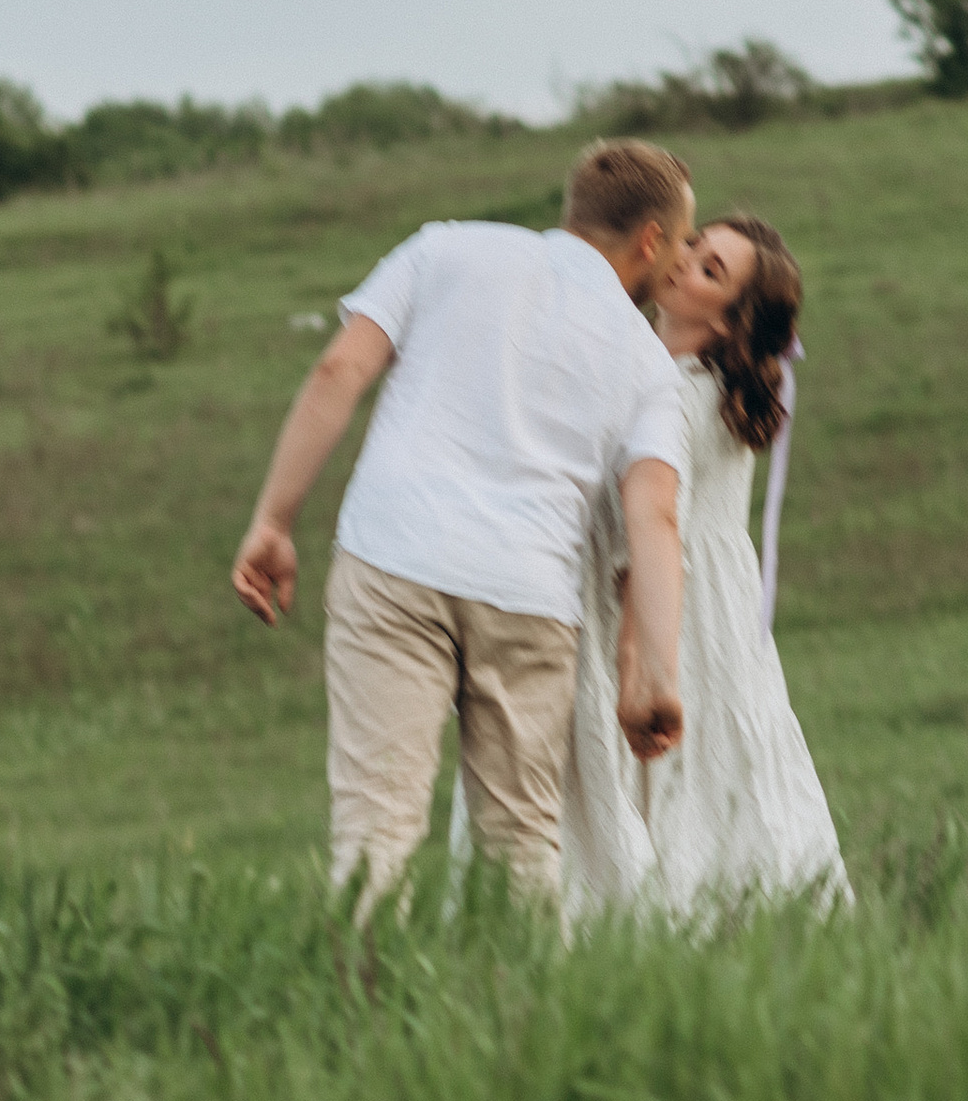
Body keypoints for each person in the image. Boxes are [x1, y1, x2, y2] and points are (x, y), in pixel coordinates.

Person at [230, 139, 694, 907]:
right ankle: (518, 1018)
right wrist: (657, 677)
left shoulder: (443, 248)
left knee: (376, 824)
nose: (677, 262)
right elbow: (655, 515)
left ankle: (362, 1008)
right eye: (680, 243)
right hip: (528, 595)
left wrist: (274, 522)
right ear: (650, 239)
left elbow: (338, 371)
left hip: (394, 561)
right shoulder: (648, 364)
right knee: (519, 842)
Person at [535, 208, 848, 918]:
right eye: (697, 244)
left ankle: (663, 916)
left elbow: (652, 524)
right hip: (719, 611)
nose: (684, 261)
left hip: (661, 606)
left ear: (733, 320)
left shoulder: (675, 395)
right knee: (725, 769)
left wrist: (636, 652)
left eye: (711, 271)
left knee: (671, 779)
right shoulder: (709, 387)